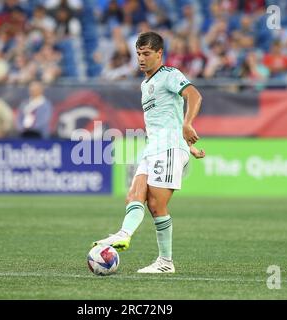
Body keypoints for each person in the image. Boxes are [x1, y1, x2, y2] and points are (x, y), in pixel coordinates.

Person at [92, 31, 205, 273]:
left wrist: (187, 125)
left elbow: (194, 95)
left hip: (169, 148)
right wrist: (190, 145)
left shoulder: (170, 75)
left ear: (159, 54)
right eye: (138, 54)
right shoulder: (145, 84)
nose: (141, 59)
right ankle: (124, 234)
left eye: (146, 54)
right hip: (153, 147)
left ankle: (165, 262)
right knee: (134, 193)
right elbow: (166, 119)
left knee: (156, 205)